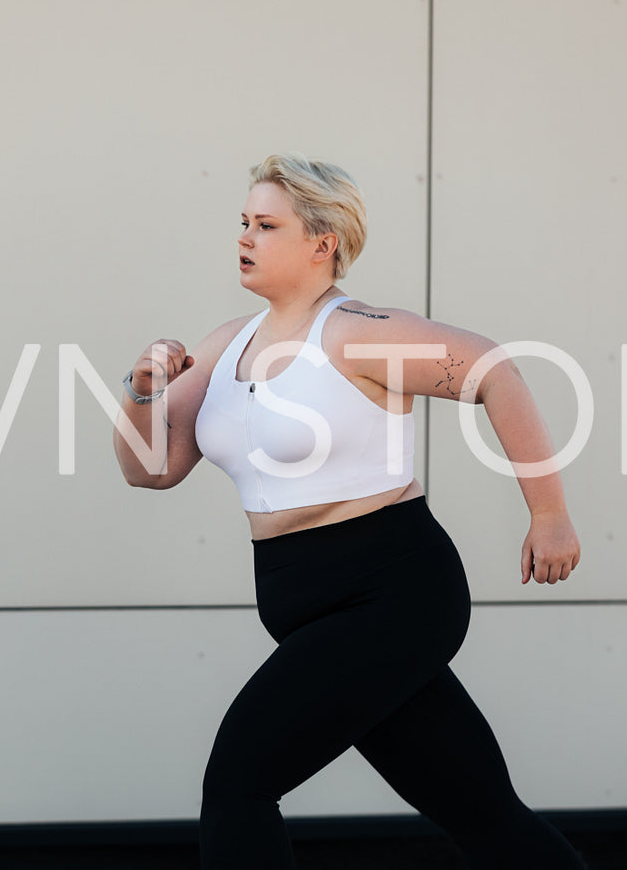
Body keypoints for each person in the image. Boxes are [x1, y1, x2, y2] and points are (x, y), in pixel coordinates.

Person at [112, 153, 588, 869]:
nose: (244, 237)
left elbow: (495, 371)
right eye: (242, 222)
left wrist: (548, 515)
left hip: (389, 595)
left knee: (238, 785)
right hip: (299, 602)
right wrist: (141, 391)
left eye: (266, 225)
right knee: (481, 811)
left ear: (321, 242)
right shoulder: (224, 345)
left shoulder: (355, 332)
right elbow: (151, 471)